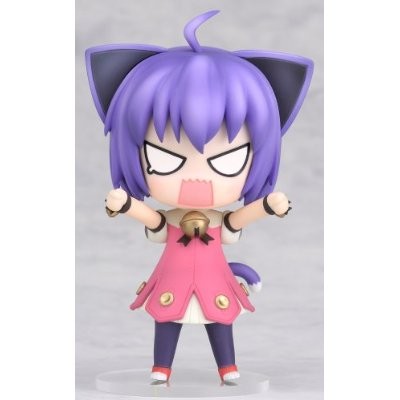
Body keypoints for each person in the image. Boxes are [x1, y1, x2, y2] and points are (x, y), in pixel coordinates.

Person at [85, 10, 313, 383]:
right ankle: (161, 368)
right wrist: (124, 205)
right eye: (164, 158)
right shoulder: (171, 220)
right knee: (166, 319)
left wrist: (267, 206)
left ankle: (228, 367)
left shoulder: (219, 221)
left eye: (228, 160)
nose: (196, 180)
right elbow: (153, 219)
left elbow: (237, 220)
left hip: (215, 282)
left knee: (220, 320)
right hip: (172, 282)